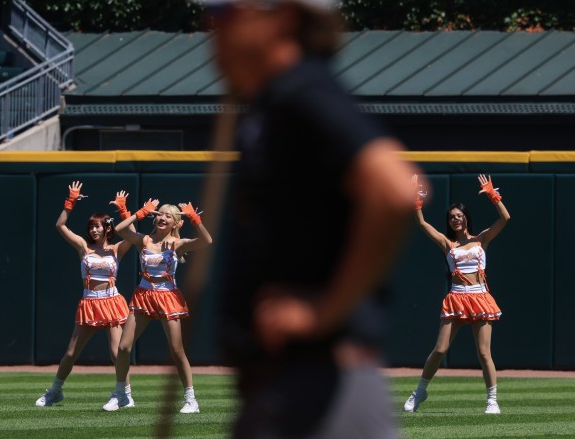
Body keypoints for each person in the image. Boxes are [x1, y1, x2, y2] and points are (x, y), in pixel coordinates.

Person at [200, 0, 420, 437]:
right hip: (285, 389)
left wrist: (324, 310)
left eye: (225, 11)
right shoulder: (270, 102)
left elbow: (395, 189)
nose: (212, 24)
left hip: (319, 392)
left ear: (281, 17)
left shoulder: (302, 91)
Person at [403, 174, 510, 415]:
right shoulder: (447, 244)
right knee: (440, 349)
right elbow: (421, 223)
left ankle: (492, 400)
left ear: (466, 218)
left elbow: (505, 218)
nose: (456, 220)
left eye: (459, 216)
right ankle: (419, 391)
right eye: (452, 218)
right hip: (457, 298)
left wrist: (493, 195)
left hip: (480, 297)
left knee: (484, 353)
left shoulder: (482, 239)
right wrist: (416, 201)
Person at [101, 197, 213, 413]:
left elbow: (207, 241)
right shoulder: (144, 240)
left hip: (168, 296)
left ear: (175, 223)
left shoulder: (176, 244)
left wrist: (194, 218)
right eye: (160, 214)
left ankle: (191, 399)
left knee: (176, 350)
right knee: (123, 347)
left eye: (168, 216)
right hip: (144, 294)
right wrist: (141, 212)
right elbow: (120, 228)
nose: (162, 217)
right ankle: (122, 394)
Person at [35, 182, 136, 408]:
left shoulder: (117, 249)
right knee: (71, 353)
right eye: (91, 227)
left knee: (116, 350)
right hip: (90, 302)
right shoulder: (83, 247)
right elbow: (60, 225)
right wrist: (70, 202)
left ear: (107, 228)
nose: (93, 230)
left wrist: (123, 210)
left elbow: (132, 235)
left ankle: (125, 395)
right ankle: (55, 391)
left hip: (111, 301)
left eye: (98, 226)